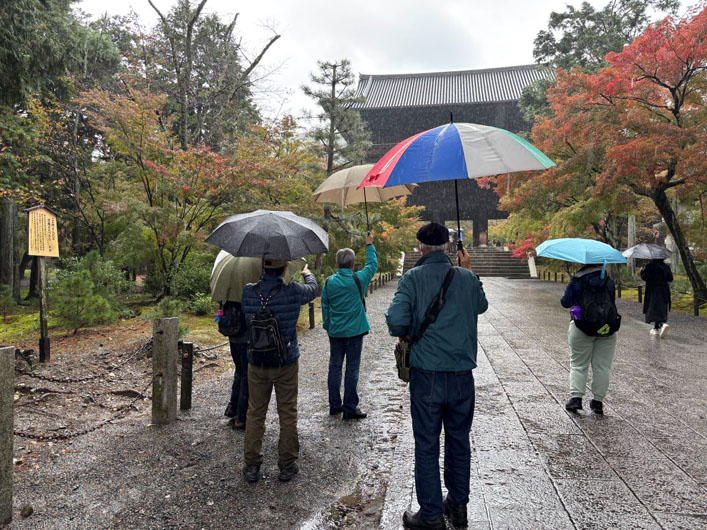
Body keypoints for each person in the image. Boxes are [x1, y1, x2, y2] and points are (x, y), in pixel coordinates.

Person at [386, 222, 488, 530]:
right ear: (447, 245)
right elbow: (481, 306)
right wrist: (469, 271)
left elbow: (395, 321)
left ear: (420, 246)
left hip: (427, 374)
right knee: (459, 440)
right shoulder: (466, 278)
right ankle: (458, 505)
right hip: (461, 375)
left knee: (427, 443)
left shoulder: (412, 278)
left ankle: (430, 515)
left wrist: (408, 331)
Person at [240, 258, 318, 484]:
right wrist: (307, 273)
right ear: (284, 269)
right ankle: (287, 464)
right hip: (285, 362)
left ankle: (252, 465)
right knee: (287, 413)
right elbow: (313, 290)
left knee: (255, 413)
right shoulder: (293, 291)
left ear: (263, 267)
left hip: (257, 362)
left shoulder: (248, 292)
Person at [321, 232, 378, 420]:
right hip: (355, 331)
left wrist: (328, 325)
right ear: (353, 264)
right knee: (352, 368)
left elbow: (325, 305)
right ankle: (350, 407)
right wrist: (369, 245)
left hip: (336, 331)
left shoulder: (329, 282)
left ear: (337, 264)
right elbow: (372, 265)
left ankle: (334, 404)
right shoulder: (358, 279)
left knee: (334, 367)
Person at [560, 264, 618, 415]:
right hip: (606, 328)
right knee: (602, 366)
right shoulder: (608, 281)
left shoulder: (577, 279)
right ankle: (598, 402)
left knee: (578, 364)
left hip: (581, 326)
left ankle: (576, 399)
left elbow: (565, 302)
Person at [224, 304, 248, 430]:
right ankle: (241, 417)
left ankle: (232, 407)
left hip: (233, 336)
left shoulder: (229, 295)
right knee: (246, 375)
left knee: (239, 371)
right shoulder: (248, 294)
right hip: (246, 338)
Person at [641, 259, 673, 337]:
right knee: (661, 308)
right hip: (664, 290)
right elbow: (670, 278)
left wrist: (642, 271)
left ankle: (662, 324)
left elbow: (645, 277)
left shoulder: (650, 266)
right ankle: (656, 328)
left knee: (654, 309)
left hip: (653, 290)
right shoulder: (666, 267)